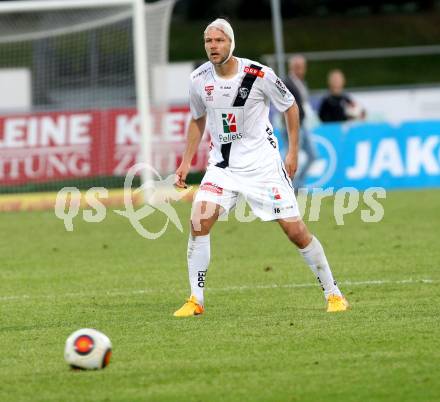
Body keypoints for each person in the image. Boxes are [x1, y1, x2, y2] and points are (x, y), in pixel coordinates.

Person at [173, 18, 348, 317]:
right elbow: (198, 118)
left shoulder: (258, 74)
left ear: (231, 43)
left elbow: (290, 106)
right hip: (223, 167)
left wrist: (292, 152)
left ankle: (334, 294)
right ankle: (196, 299)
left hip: (263, 167)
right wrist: (186, 161)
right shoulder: (199, 79)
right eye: (208, 41)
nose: (213, 46)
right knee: (198, 222)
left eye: (219, 40)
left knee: (295, 232)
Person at [284, 55, 317, 189]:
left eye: (301, 67)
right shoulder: (287, 82)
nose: (300, 70)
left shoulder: (302, 83)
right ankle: (287, 185)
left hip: (302, 124)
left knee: (312, 155)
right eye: (297, 67)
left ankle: (296, 185)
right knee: (292, 156)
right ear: (291, 67)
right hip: (292, 126)